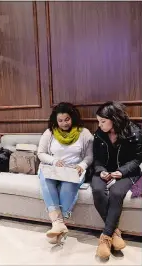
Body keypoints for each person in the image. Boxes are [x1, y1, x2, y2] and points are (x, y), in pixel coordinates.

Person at [91, 101, 142, 260]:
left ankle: (106, 238)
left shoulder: (134, 132)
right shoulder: (99, 134)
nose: (99, 125)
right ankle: (115, 233)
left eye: (103, 121)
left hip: (127, 172)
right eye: (98, 121)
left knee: (116, 192)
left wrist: (121, 171)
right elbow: (97, 160)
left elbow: (137, 159)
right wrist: (101, 171)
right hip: (104, 172)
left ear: (114, 119)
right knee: (98, 190)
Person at [37, 102, 93, 244]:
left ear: (73, 117)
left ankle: (58, 225)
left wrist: (82, 165)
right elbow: (41, 153)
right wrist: (54, 161)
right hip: (52, 168)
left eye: (67, 119)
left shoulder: (84, 133)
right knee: (46, 180)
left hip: (74, 170)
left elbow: (89, 156)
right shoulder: (49, 132)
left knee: (68, 186)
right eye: (60, 120)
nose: (64, 123)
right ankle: (59, 224)